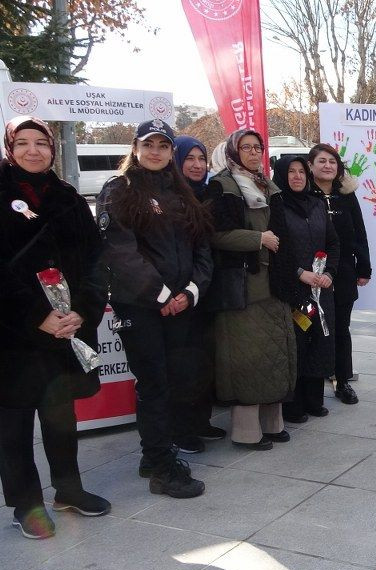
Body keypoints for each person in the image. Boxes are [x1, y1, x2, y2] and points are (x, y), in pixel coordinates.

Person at [0, 116, 110, 539]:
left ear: (52, 147)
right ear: (10, 148)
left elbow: (98, 261)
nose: (33, 150)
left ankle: (69, 490)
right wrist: (36, 316)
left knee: (60, 416)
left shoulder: (68, 198)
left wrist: (82, 310)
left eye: (41, 142)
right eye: (23, 143)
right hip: (13, 335)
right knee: (13, 425)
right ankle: (26, 505)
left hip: (67, 331)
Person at [97, 119, 211, 498]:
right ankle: (162, 468)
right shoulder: (120, 189)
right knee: (155, 384)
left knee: (176, 380)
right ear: (135, 148)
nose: (156, 152)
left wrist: (190, 293)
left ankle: (155, 454)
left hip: (180, 307)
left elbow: (202, 251)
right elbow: (121, 253)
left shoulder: (181, 193)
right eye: (149, 145)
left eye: (164, 146)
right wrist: (162, 295)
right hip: (142, 307)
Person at [206, 129, 297, 449]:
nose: (254, 153)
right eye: (246, 147)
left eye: (257, 147)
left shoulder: (267, 183)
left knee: (277, 354)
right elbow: (215, 234)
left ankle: (272, 422)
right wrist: (258, 239)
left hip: (275, 285)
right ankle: (246, 431)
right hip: (244, 286)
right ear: (233, 151)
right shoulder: (223, 185)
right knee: (248, 358)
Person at [271, 156, 340, 422]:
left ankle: (314, 399)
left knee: (321, 342)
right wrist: (301, 274)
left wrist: (330, 274)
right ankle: (293, 405)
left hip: (322, 289)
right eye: (291, 171)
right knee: (298, 343)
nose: (297, 176)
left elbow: (333, 243)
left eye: (301, 171)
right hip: (295, 290)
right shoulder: (276, 206)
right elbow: (278, 251)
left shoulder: (317, 203)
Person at [170, 135, 226, 452]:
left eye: (201, 158)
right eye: (189, 158)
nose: (196, 164)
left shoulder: (207, 194)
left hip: (206, 291)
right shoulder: (171, 198)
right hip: (178, 295)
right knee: (181, 364)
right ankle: (180, 429)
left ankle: (199, 421)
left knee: (203, 361)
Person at [308, 143, 369, 404]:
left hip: (342, 272)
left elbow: (359, 233)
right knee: (311, 326)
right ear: (310, 165)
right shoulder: (302, 194)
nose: (328, 166)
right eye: (322, 161)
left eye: (332, 162)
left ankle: (342, 380)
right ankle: (311, 381)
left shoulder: (346, 195)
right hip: (310, 275)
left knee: (341, 328)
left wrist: (364, 267)